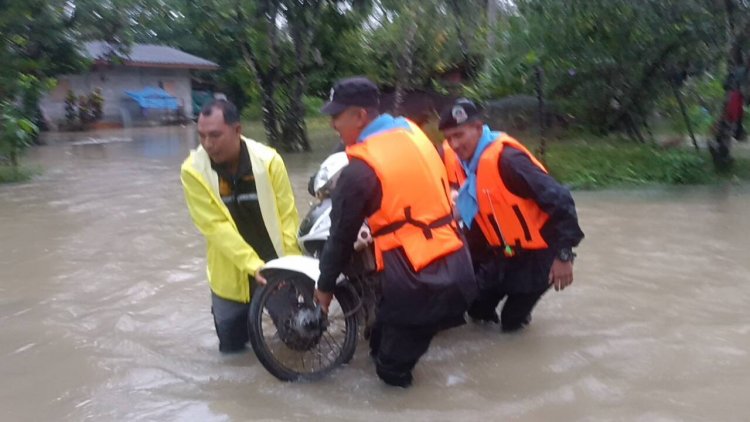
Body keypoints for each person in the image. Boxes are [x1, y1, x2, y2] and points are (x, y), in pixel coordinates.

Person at [314, 76, 477, 387]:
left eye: (337, 116)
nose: (333, 124)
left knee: (390, 371)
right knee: (377, 341)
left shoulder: (361, 169)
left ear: (360, 116)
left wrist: (324, 291)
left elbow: (340, 238)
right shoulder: (412, 133)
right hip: (455, 263)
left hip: (420, 281)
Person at [439, 98, 584, 332]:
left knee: (511, 322)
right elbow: (478, 219)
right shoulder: (469, 166)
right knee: (476, 309)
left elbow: (561, 200)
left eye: (459, 135)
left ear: (478, 128)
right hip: (503, 252)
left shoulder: (508, 161)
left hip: (539, 256)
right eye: (449, 138)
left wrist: (564, 256)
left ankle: (519, 322)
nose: (454, 144)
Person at [180, 99, 301, 353]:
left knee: (300, 339)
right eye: (201, 136)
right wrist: (252, 265)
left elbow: (287, 217)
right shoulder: (193, 170)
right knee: (232, 350)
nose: (208, 144)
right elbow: (214, 227)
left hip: (275, 268)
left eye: (215, 135)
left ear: (237, 130)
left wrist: (292, 266)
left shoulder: (269, 162)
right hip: (229, 270)